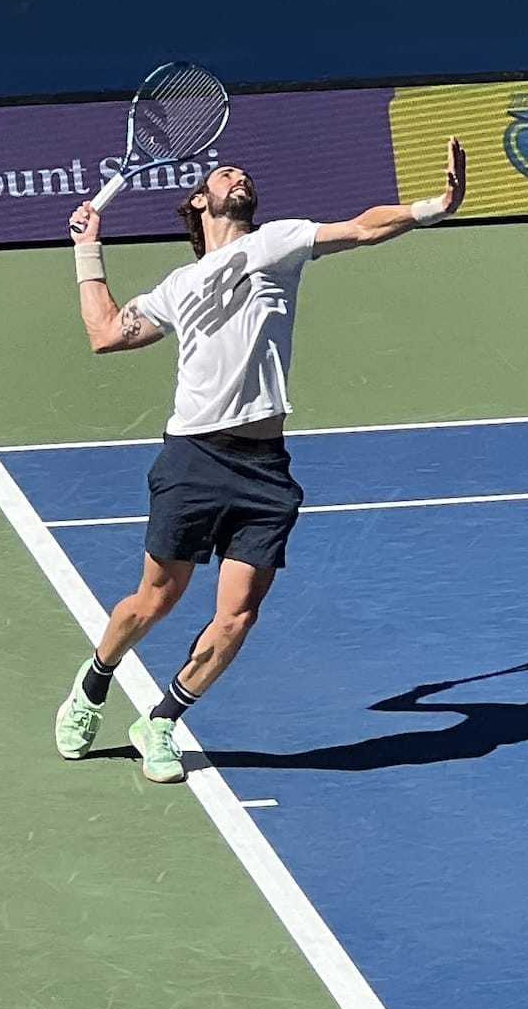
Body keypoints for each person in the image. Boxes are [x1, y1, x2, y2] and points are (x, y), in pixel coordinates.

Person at [55, 136, 467, 783]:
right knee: (154, 602)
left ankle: (160, 720)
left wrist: (432, 207)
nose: (237, 174)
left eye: (243, 171)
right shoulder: (177, 285)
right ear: (199, 201)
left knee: (239, 614)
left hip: (264, 469)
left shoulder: (277, 242)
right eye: (224, 173)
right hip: (193, 456)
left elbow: (361, 228)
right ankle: (95, 682)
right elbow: (106, 333)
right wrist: (87, 247)